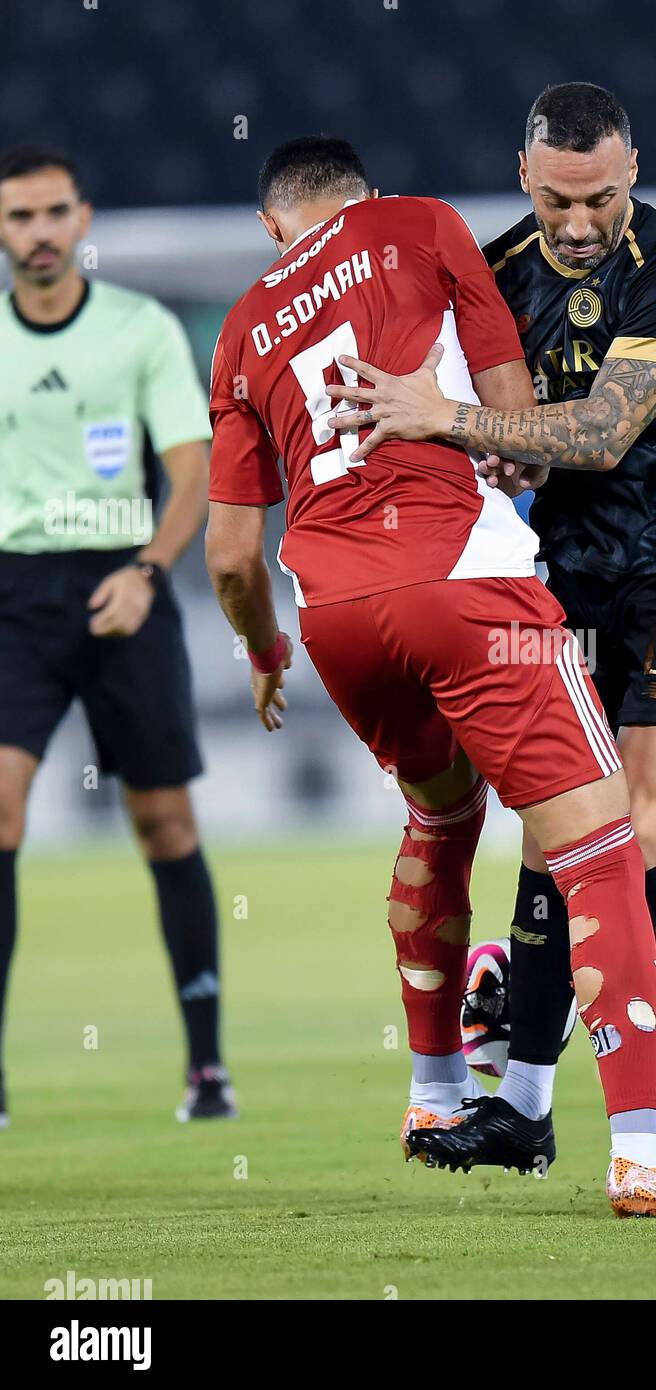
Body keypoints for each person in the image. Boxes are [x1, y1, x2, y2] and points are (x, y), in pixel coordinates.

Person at [205, 134, 656, 1217]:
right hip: (470, 585)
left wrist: (265, 651)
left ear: (274, 226)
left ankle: (437, 1092)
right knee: (603, 843)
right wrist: (468, 429)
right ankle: (647, 1145)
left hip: (338, 615)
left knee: (446, 815)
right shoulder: (421, 224)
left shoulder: (238, 329)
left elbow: (232, 555)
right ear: (361, 198)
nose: (573, 217)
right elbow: (514, 420)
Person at [0, 145, 232, 1126]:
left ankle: (206, 1068)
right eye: (19, 218)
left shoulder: (137, 328)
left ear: (82, 219)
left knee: (164, 824)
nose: (40, 233)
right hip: (13, 593)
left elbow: (192, 471)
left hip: (121, 585)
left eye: (54, 213)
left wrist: (144, 572)